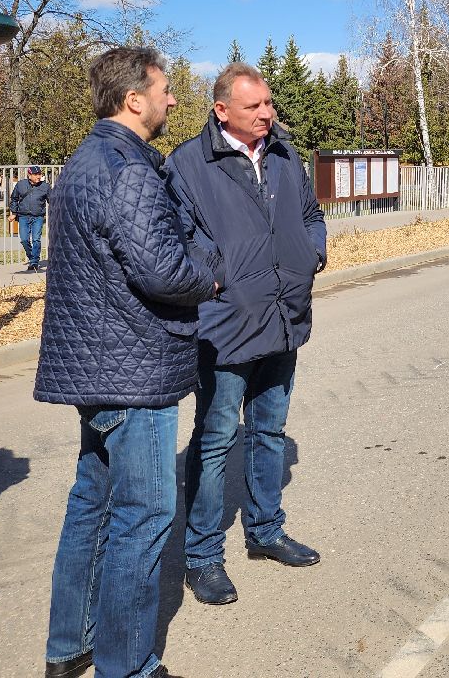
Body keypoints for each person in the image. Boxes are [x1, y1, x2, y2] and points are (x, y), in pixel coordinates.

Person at [35, 47, 216, 678]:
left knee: (92, 503)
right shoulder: (126, 168)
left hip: (100, 366)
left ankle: (72, 643)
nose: (172, 100)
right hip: (133, 370)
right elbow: (163, 269)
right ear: (133, 99)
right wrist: (212, 276)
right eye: (164, 90)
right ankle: (127, 663)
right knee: (143, 518)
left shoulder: (87, 162)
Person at [166, 62, 328, 607]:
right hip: (226, 325)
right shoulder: (188, 164)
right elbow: (181, 239)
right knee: (214, 443)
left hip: (284, 316)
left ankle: (265, 531)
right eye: (253, 106)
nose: (266, 113)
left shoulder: (283, 155)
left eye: (268, 104)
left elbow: (310, 215)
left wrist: (312, 255)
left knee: (270, 432)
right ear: (221, 111)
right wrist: (220, 281)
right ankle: (204, 556)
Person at [9, 164, 51, 272]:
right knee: (24, 240)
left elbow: (52, 200)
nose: (38, 176)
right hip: (23, 216)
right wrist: (14, 213)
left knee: (36, 239)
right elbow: (14, 199)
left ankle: (34, 262)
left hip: (38, 217)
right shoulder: (20, 185)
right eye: (36, 174)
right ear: (29, 175)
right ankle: (32, 257)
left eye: (39, 174)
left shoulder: (45, 186)